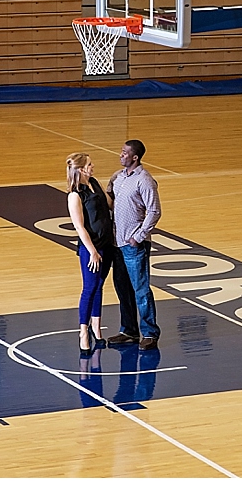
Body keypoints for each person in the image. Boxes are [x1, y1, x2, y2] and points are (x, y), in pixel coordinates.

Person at [105, 139, 162, 350]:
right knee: (123, 288)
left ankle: (150, 333)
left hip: (134, 245)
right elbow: (110, 202)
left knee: (141, 289)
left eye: (124, 152)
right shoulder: (118, 178)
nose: (120, 155)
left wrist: (139, 236)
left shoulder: (144, 180)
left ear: (134, 157)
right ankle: (128, 330)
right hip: (117, 244)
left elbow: (154, 211)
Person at [66, 153, 113, 357]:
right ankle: (83, 332)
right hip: (91, 248)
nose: (93, 167)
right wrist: (92, 251)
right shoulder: (75, 195)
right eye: (90, 164)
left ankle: (97, 327)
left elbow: (110, 204)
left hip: (107, 243)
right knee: (89, 287)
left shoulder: (95, 183)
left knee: (100, 286)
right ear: (82, 169)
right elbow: (79, 226)